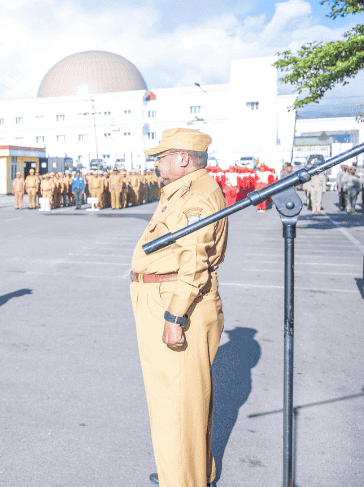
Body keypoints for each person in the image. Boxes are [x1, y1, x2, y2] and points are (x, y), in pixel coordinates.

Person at [130, 128, 227, 487]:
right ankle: (190, 473)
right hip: (168, 295)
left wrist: (174, 316)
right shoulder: (186, 190)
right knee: (183, 400)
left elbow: (193, 263)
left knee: (176, 405)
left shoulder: (196, 197)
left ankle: (183, 481)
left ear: (183, 158)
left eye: (162, 157)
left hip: (175, 300)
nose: (157, 163)